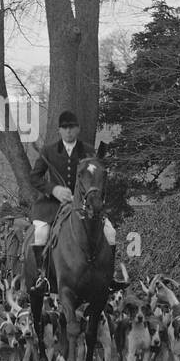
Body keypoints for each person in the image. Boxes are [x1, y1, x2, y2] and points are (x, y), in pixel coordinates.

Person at [28, 110, 120, 293]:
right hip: (53, 205)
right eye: (65, 128)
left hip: (85, 205)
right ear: (59, 131)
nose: (68, 131)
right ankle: (42, 277)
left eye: (72, 127)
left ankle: (109, 276)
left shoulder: (88, 151)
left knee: (110, 231)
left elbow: (96, 177)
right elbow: (34, 177)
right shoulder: (49, 150)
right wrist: (53, 189)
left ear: (77, 129)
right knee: (41, 232)